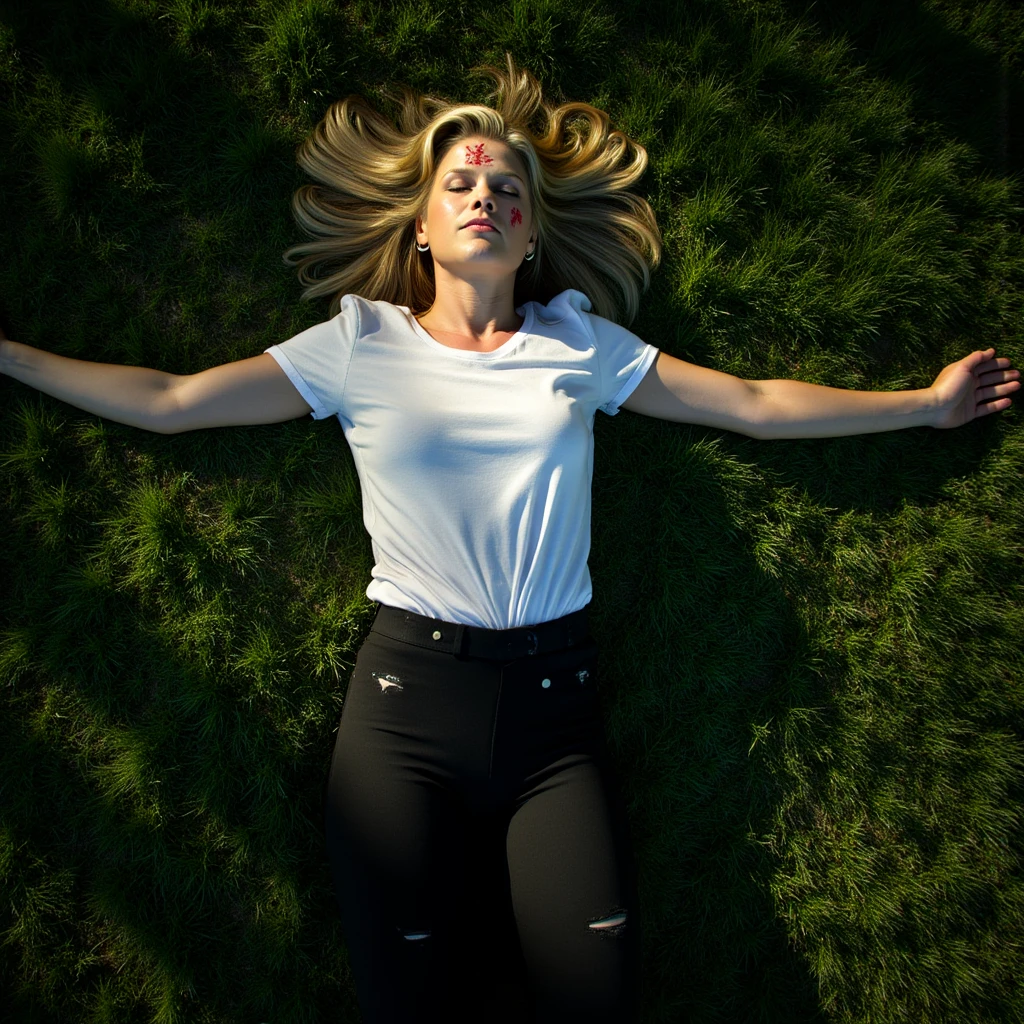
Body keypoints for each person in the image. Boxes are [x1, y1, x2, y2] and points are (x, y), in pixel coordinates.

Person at [0, 55, 1018, 1024]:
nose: (485, 195)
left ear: (531, 237)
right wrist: (12, 357)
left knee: (596, 998)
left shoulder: (577, 343)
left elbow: (749, 403)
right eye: (460, 184)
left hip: (550, 723)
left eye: (508, 189)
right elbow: (174, 401)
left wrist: (920, 408)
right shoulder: (359, 345)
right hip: (404, 713)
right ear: (423, 231)